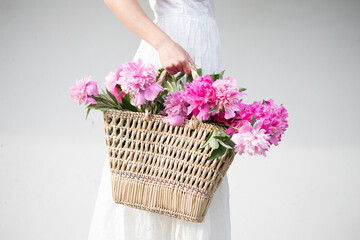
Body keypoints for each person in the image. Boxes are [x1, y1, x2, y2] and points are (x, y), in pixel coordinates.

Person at [88, 0, 231, 239]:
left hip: (204, 47)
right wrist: (163, 43)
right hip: (170, 46)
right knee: (151, 159)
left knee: (197, 173)